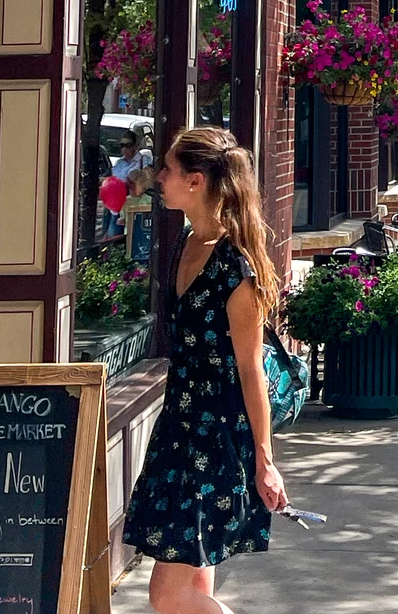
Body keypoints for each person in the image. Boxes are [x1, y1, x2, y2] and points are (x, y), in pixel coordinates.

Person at [123, 126, 288, 613]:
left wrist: (264, 459)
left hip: (216, 437)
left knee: (166, 594)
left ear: (195, 181)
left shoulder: (236, 270)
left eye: (168, 169)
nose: (159, 177)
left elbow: (249, 368)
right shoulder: (187, 242)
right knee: (194, 587)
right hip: (181, 426)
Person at [106, 131, 153, 237]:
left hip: (134, 207)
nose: (125, 149)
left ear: (135, 146)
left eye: (128, 145)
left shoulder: (143, 161)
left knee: (130, 236)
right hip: (115, 207)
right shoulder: (119, 163)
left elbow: (146, 178)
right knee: (112, 239)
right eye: (122, 146)